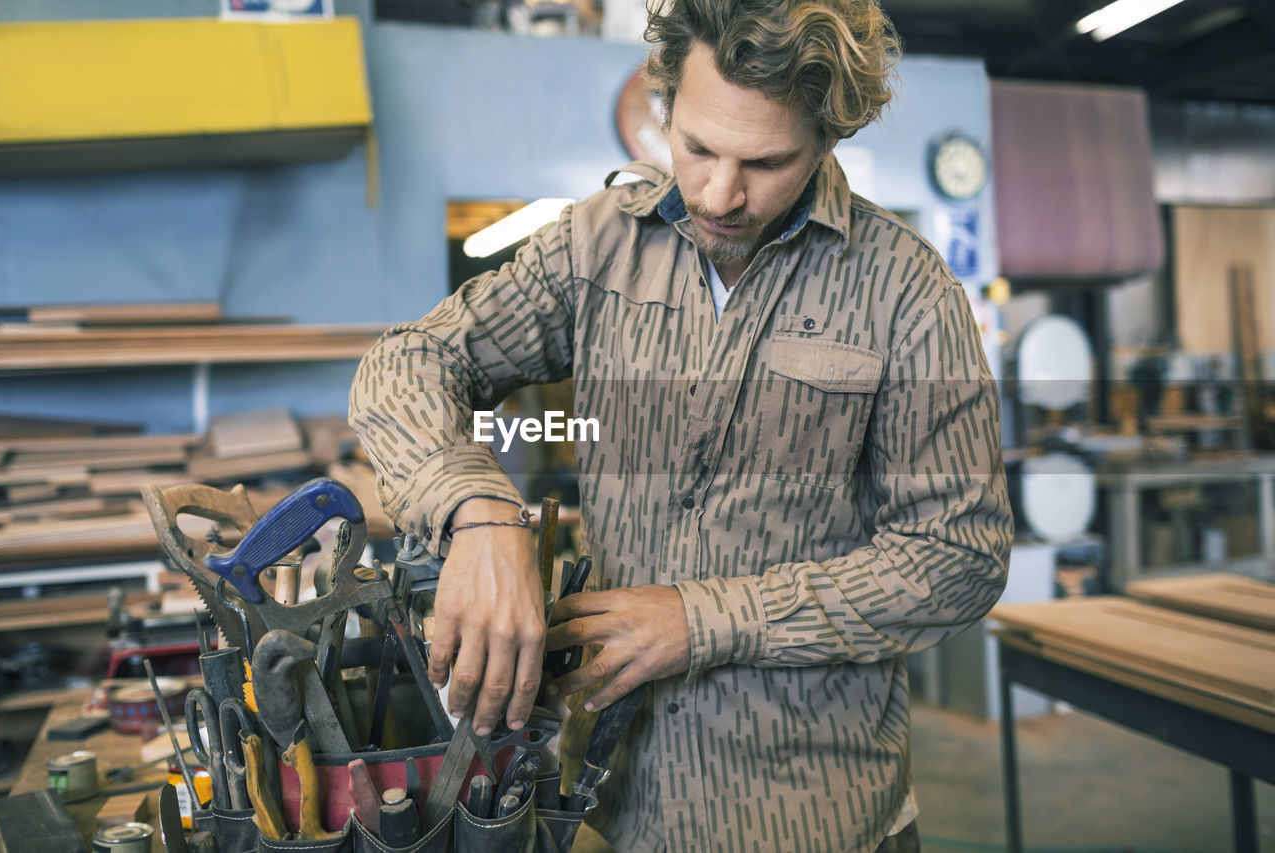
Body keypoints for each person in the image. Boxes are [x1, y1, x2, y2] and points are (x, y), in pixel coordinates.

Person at [349, 0, 1013, 849]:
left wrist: (705, 619)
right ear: (666, 102)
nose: (717, 193)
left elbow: (959, 556)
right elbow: (407, 362)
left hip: (824, 817)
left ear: (828, 138)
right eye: (695, 146)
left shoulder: (907, 294)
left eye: (765, 162)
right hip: (618, 813)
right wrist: (478, 511)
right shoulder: (595, 247)